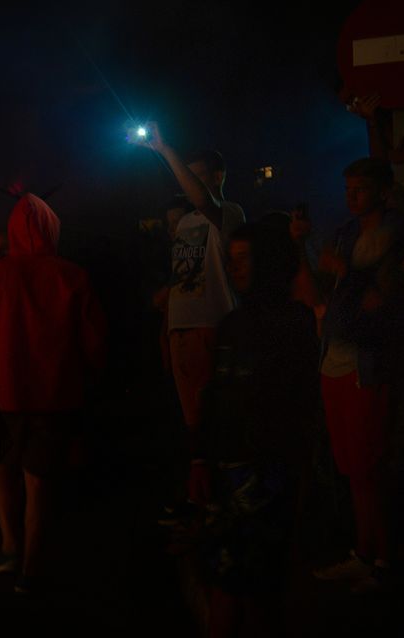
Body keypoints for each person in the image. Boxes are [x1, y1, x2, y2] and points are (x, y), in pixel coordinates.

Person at [0, 192, 106, 593]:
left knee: (2, 470)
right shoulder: (72, 275)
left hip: (1, 396)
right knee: (38, 483)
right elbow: (94, 340)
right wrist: (93, 376)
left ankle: (10, 548)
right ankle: (31, 569)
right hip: (55, 397)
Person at [192, 222, 319, 636]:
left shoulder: (292, 323)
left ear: (268, 262)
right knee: (232, 578)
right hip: (230, 470)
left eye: (245, 257)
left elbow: (299, 402)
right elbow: (215, 394)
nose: (234, 266)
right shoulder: (233, 322)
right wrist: (200, 458)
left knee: (258, 584)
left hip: (269, 470)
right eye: (233, 257)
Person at [133, 123, 247, 514]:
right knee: (193, 420)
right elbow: (185, 273)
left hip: (211, 324)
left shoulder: (229, 213)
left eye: (196, 174)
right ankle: (202, 497)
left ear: (218, 177)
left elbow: (205, 202)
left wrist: (167, 152)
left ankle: (218, 499)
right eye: (186, 173)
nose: (188, 182)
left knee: (215, 417)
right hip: (181, 327)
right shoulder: (183, 223)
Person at [312, 158, 404, 592]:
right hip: (335, 355)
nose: (350, 196)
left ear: (382, 191)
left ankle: (381, 561)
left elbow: (382, 300)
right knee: (352, 468)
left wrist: (347, 274)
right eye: (347, 187)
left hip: (365, 363)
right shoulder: (346, 233)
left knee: (368, 468)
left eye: (360, 189)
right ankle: (364, 552)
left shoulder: (394, 235)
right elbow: (331, 292)